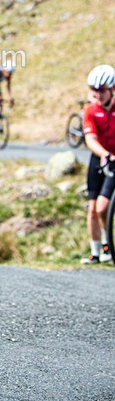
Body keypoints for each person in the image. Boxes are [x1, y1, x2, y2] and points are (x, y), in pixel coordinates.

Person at [80, 64, 115, 264]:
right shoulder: (90, 110)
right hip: (99, 158)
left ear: (112, 89)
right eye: (94, 90)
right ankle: (95, 252)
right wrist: (104, 153)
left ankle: (107, 244)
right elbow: (90, 139)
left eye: (101, 90)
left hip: (114, 160)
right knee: (93, 208)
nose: (97, 94)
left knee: (103, 208)